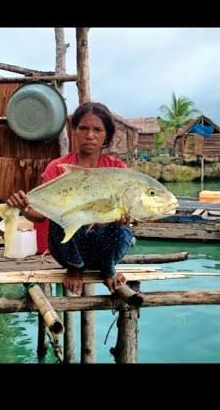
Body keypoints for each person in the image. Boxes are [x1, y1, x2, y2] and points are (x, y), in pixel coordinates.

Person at [7, 102, 133, 295]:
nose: (89, 135)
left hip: (106, 250)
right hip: (68, 251)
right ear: (74, 131)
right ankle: (74, 269)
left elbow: (132, 213)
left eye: (97, 130)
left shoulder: (117, 169)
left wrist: (127, 215)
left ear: (106, 135)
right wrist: (24, 207)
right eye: (83, 128)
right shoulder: (57, 167)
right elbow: (40, 216)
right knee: (61, 214)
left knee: (120, 226)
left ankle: (108, 272)